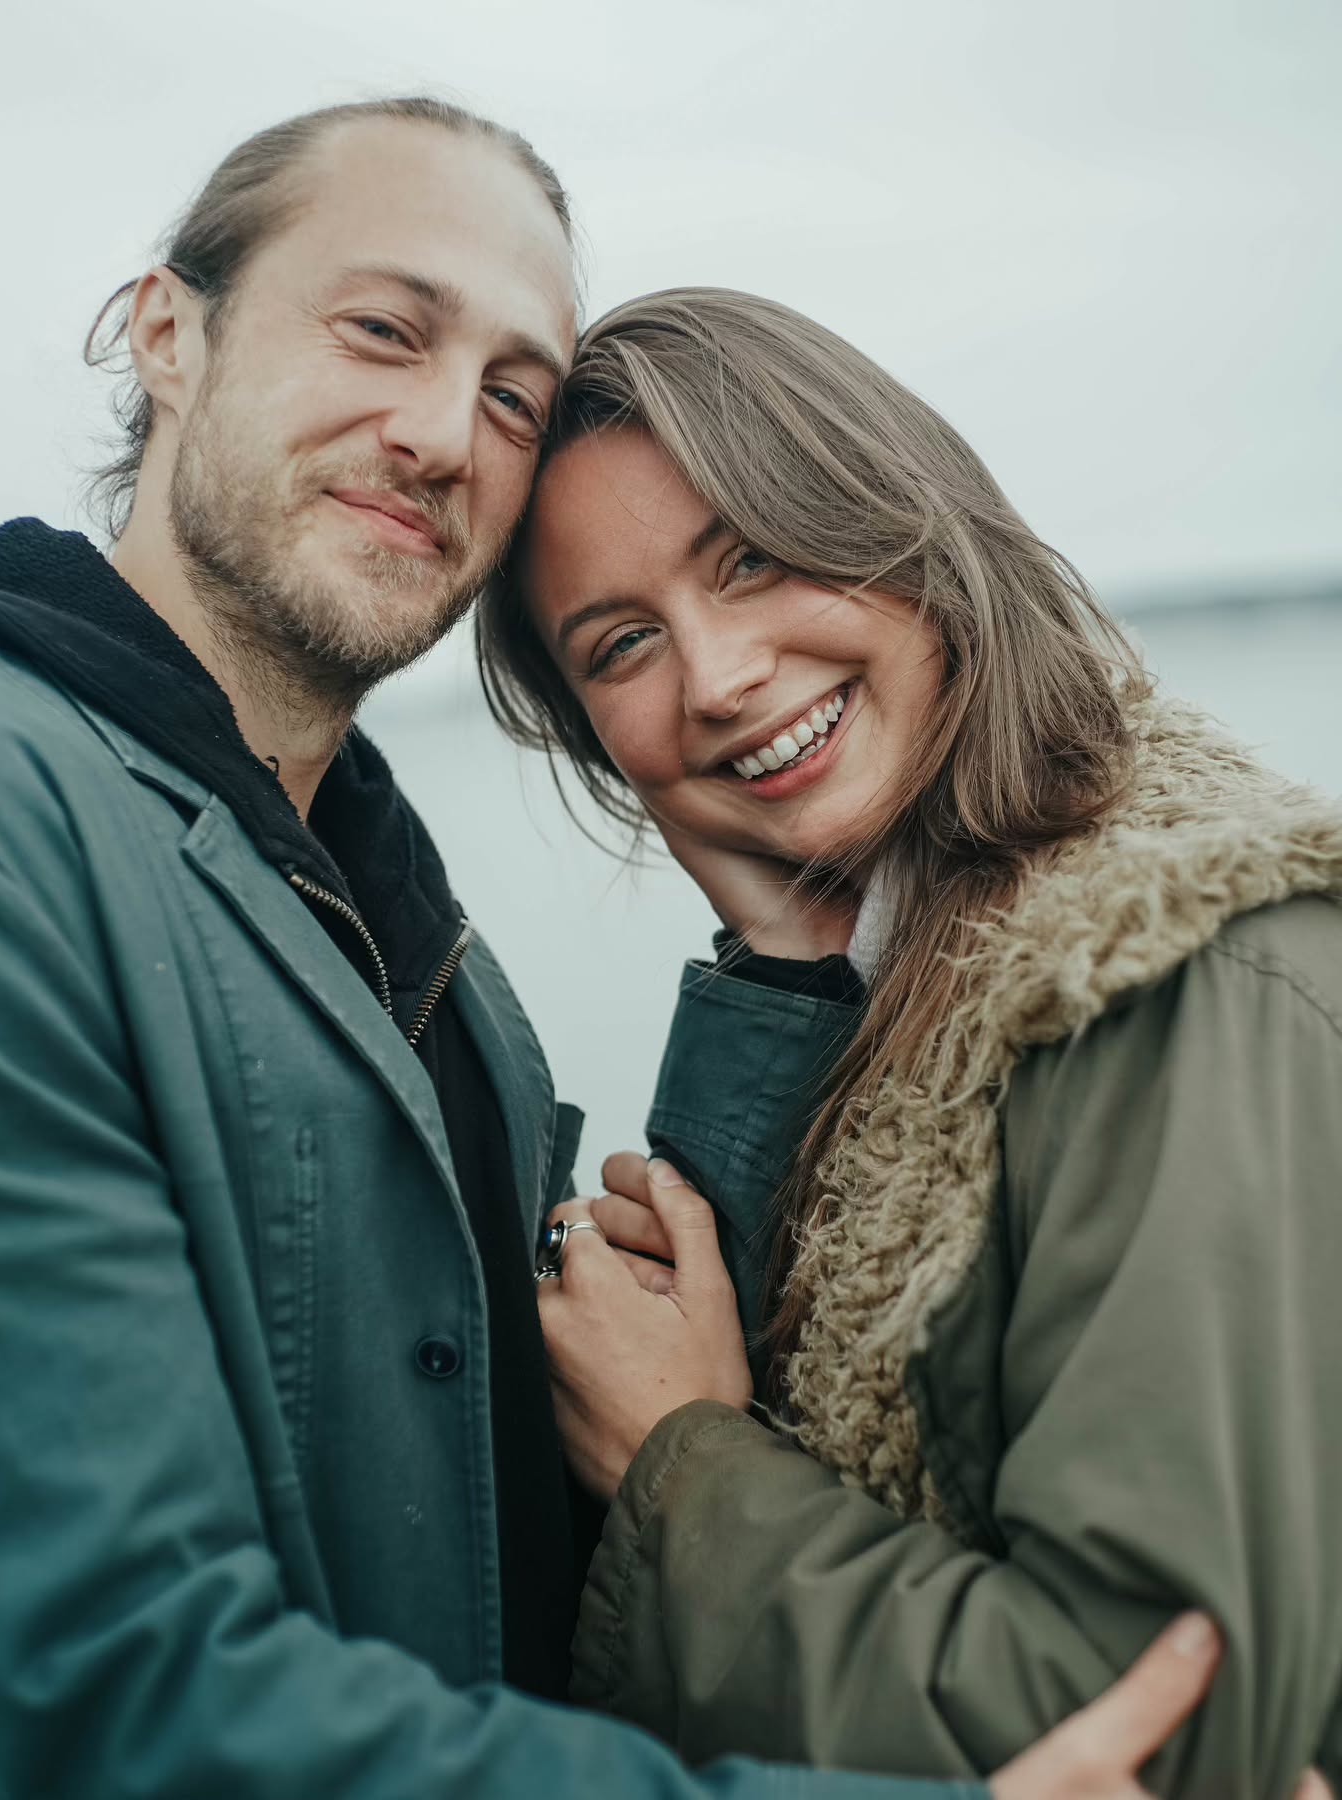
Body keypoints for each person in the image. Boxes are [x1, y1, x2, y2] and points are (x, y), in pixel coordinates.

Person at [0, 96, 1223, 1800]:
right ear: (170, 330)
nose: (448, 433)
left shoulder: (388, 908)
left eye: (513, 393)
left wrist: (788, 971)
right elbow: (122, 1694)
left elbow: (533, 1478)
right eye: (385, 328)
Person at [481, 286, 1342, 1796]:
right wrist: (780, 975)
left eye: (749, 556)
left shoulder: (1174, 977)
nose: (720, 677)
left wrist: (678, 1460)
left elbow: (1165, 1740)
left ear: (908, 520)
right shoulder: (895, 963)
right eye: (624, 645)